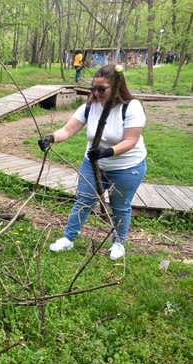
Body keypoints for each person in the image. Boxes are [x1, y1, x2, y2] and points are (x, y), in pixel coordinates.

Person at [37, 64, 147, 260]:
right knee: (83, 200)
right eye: (93, 88)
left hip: (126, 167)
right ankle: (68, 238)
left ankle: (119, 243)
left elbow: (131, 140)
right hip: (93, 162)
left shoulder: (132, 107)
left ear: (116, 87)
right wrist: (51, 138)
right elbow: (68, 130)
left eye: (101, 89)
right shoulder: (89, 107)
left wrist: (107, 152)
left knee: (120, 206)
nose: (96, 93)